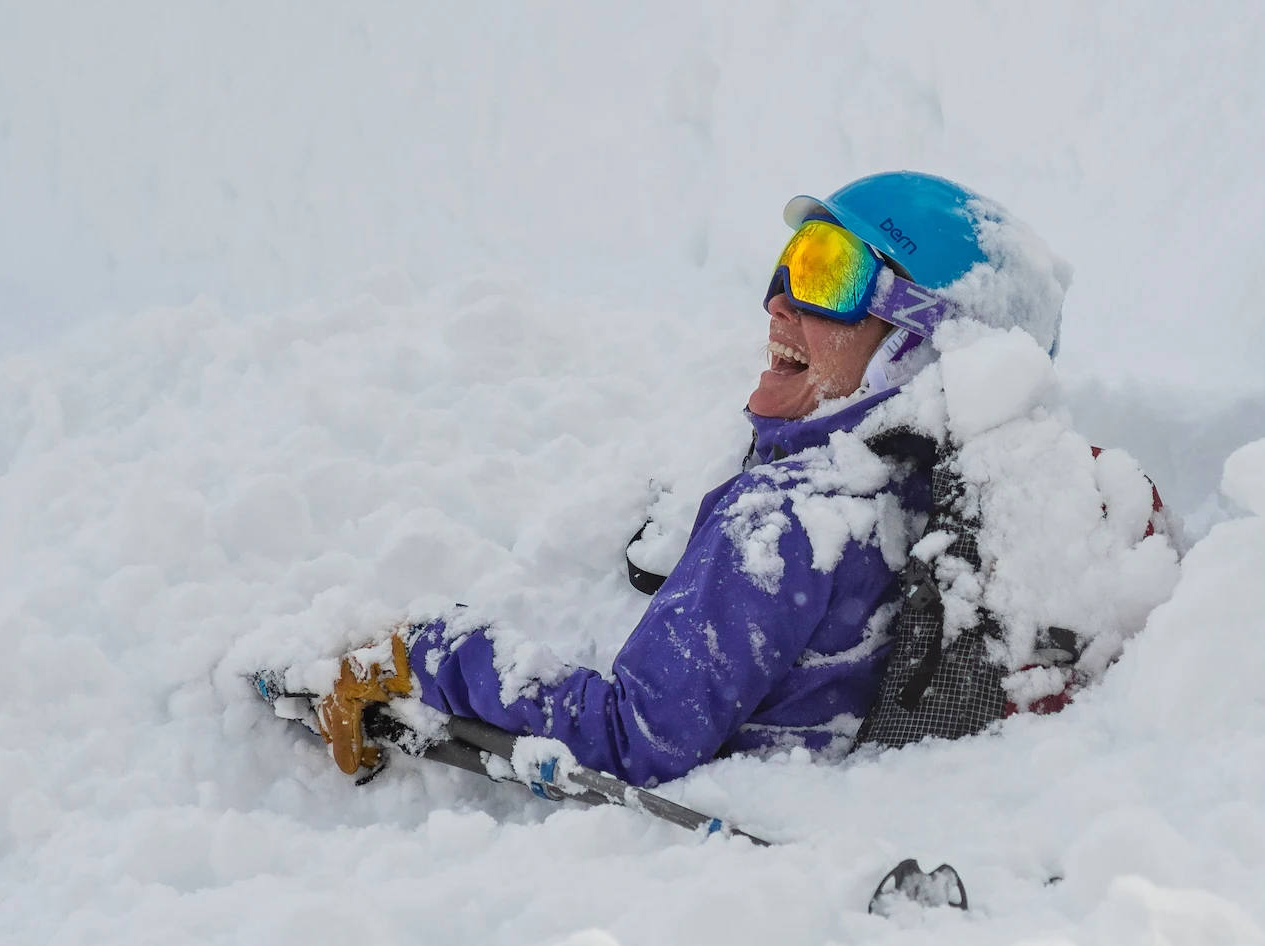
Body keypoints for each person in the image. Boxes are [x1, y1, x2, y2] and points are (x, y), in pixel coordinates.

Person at [342, 172, 1069, 787]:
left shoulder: (788, 523)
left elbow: (633, 739)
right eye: (790, 263)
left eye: (828, 274)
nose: (778, 300)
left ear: (917, 346)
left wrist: (429, 650)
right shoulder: (941, 502)